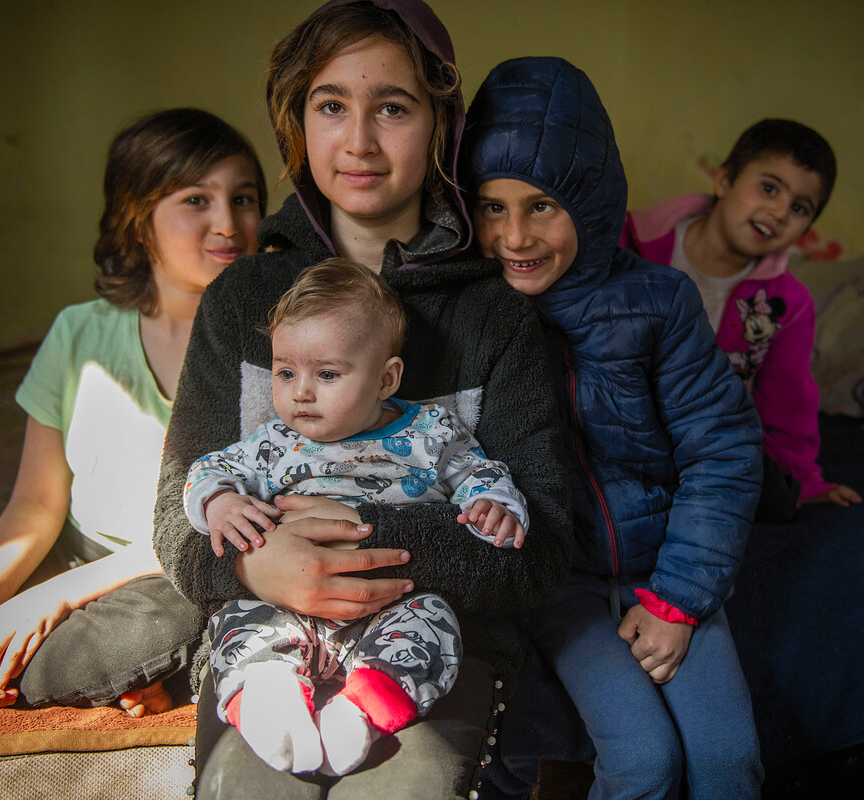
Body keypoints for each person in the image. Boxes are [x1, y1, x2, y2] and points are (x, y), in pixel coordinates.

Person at [150, 2, 571, 798]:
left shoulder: (494, 316)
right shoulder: (240, 301)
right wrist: (258, 561)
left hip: (442, 642)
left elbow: (539, 551)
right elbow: (178, 516)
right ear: (297, 118)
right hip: (263, 622)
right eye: (331, 105)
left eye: (394, 108)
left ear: (441, 124)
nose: (359, 142)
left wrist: (346, 536)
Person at [0, 107, 266, 716]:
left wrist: (54, 599)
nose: (229, 223)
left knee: (168, 626)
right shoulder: (79, 334)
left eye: (244, 198)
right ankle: (32, 656)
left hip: (168, 575)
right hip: (67, 548)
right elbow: (35, 503)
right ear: (138, 221)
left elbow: (222, 528)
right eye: (197, 200)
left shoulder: (269, 348)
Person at [462, 57, 765, 799]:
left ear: (592, 203)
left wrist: (677, 603)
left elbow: (722, 450)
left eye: (541, 206)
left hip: (667, 568)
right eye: (492, 207)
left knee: (728, 764)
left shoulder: (659, 302)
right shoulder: (475, 314)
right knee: (643, 762)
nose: (514, 235)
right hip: (558, 585)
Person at [182, 258, 529, 776]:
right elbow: (208, 469)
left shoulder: (430, 431)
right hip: (287, 600)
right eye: (285, 372)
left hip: (392, 605)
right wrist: (221, 503)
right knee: (237, 620)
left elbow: (479, 473)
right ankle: (269, 695)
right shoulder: (274, 442)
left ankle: (362, 710)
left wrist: (495, 508)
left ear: (386, 378)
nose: (300, 392)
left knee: (435, 621)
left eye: (326, 374)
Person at [622, 118, 861, 520]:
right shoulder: (631, 243)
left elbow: (787, 401)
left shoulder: (788, 304)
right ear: (724, 181)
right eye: (769, 188)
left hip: (712, 440)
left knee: (773, 496)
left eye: (799, 208)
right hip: (621, 419)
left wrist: (802, 480)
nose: (779, 212)